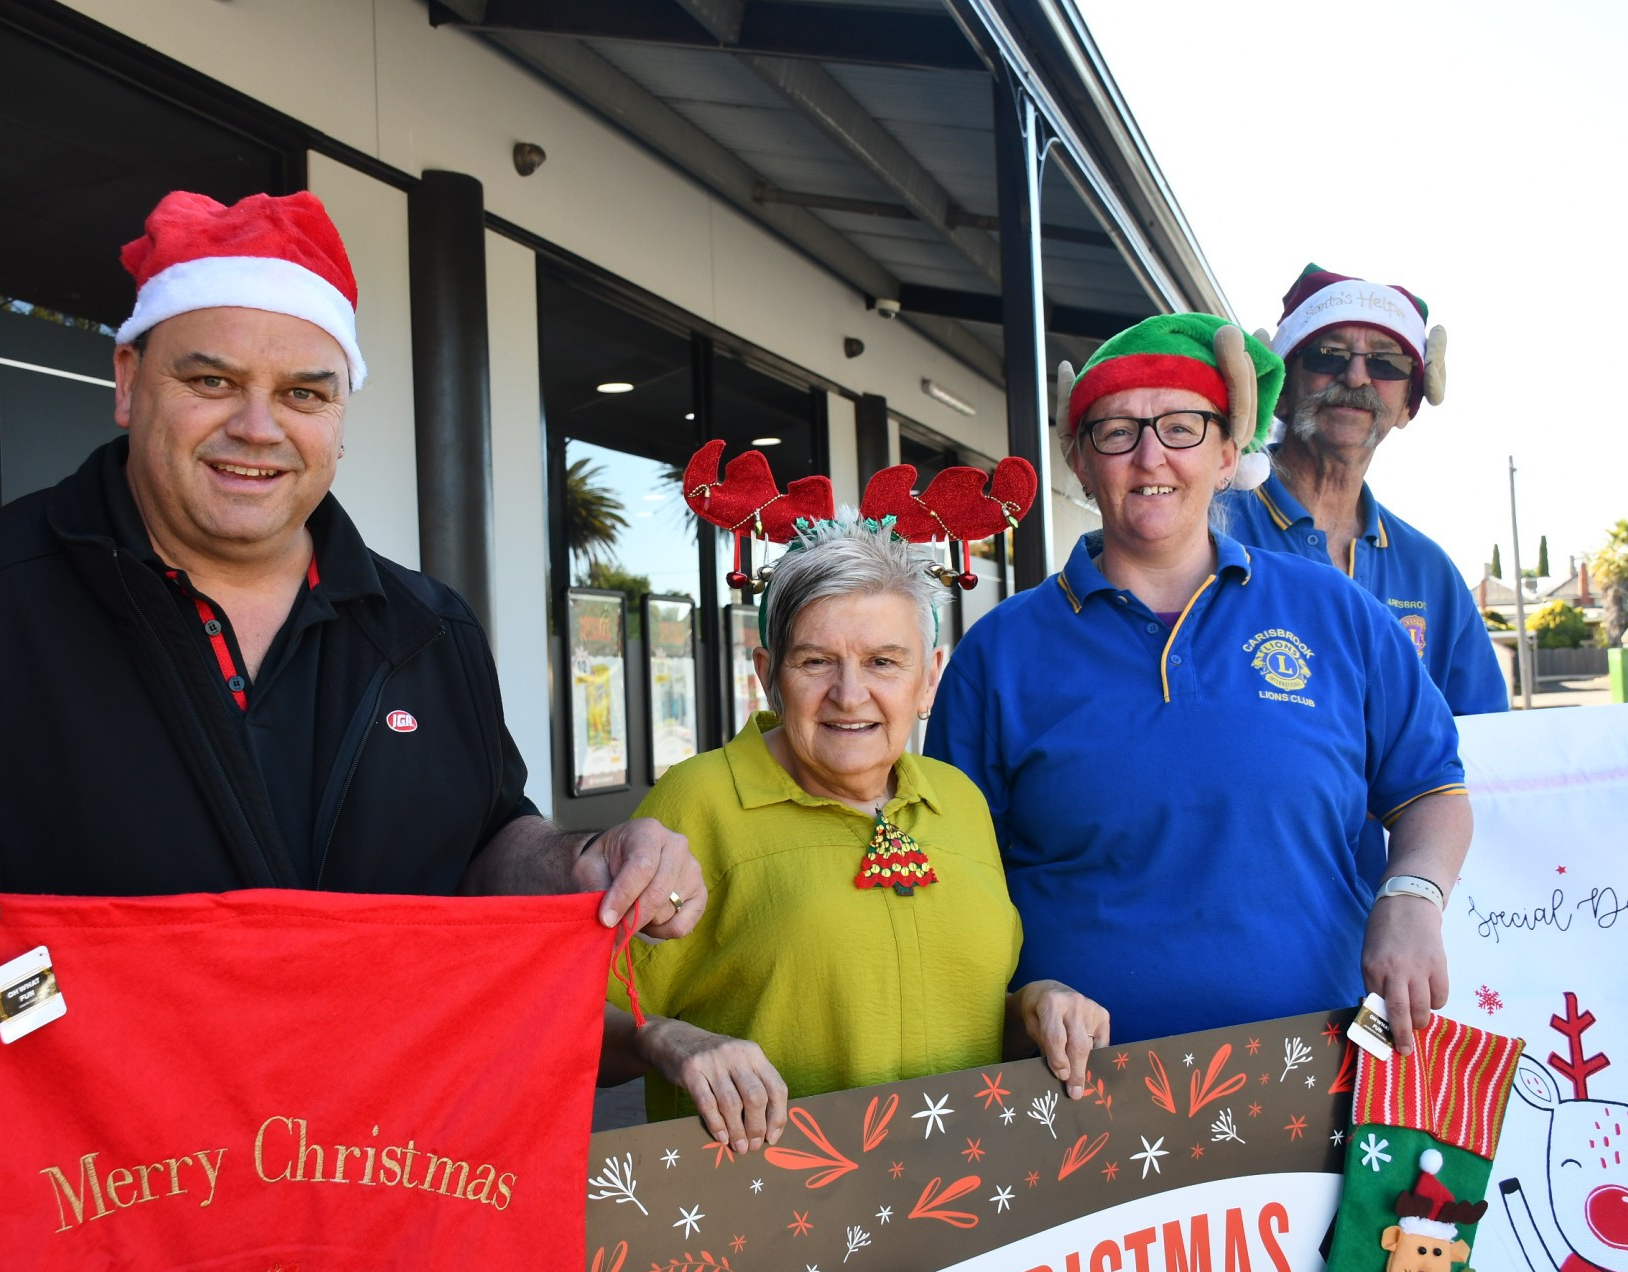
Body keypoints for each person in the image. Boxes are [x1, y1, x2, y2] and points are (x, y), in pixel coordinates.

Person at [0, 190, 701, 967]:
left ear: (339, 418)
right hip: (85, 1208)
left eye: (302, 392)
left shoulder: (426, 630)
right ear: (128, 383)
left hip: (375, 1186)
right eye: (210, 380)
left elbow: (486, 845)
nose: (257, 427)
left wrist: (579, 865)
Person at [926, 312, 1472, 1056]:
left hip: (1321, 1075)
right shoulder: (999, 652)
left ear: (1226, 454)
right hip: (1079, 1099)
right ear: (1082, 464)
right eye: (1116, 430)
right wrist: (1025, 995)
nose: (1151, 454)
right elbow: (956, 887)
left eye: (1182, 425)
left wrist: (1413, 898)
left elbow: (1434, 790)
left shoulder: (1337, 612)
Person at [599, 515, 1108, 1156]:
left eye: (883, 663)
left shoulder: (960, 803)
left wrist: (1038, 1005)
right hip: (772, 1215)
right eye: (816, 661)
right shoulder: (696, 802)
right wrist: (670, 1041)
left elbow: (958, 1015)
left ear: (929, 680)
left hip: (962, 1194)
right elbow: (576, 1029)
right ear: (767, 674)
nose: (849, 693)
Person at [1217, 265, 1506, 717]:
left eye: (1386, 362)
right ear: (1282, 390)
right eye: (1327, 354)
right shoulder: (1207, 530)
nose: (1356, 378)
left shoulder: (1430, 572)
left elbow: (1484, 739)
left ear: (1408, 404)